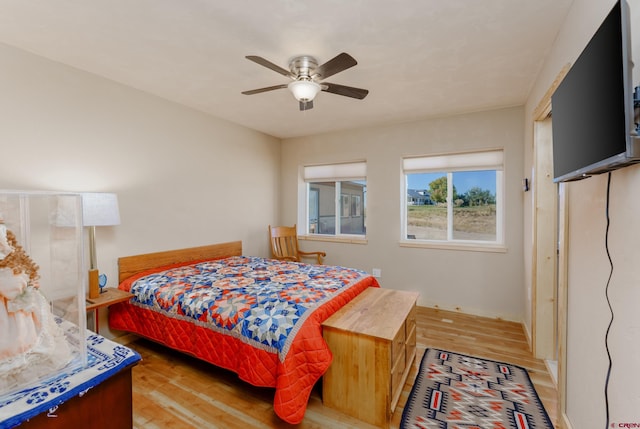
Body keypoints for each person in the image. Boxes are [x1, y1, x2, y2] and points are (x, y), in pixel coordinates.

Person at [0, 221, 71, 394]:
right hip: (10, 312)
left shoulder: (8, 263)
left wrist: (27, 282)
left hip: (14, 304)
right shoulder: (6, 266)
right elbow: (11, 287)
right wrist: (26, 282)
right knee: (18, 340)